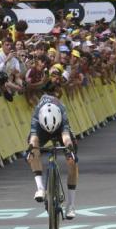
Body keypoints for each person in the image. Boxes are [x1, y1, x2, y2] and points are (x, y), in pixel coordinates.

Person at [26, 66, 78, 219]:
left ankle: (71, 204)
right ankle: (40, 188)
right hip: (41, 129)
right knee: (31, 151)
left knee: (72, 161)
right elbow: (34, 138)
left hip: (60, 129)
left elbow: (66, 136)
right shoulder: (37, 114)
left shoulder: (62, 111)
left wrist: (68, 148)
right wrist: (32, 148)